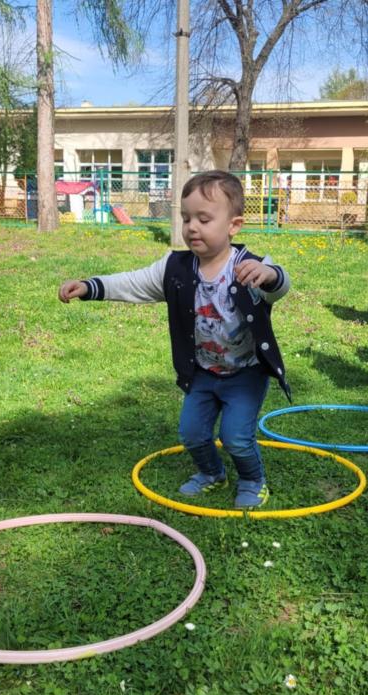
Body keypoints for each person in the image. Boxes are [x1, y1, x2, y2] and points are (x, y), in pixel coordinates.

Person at [58, 170, 291, 509]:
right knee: (192, 433)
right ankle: (211, 473)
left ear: (234, 225)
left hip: (246, 373)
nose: (192, 227)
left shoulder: (249, 268)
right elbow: (134, 283)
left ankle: (253, 481)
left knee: (236, 437)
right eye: (186, 218)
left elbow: (279, 286)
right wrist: (90, 286)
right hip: (202, 372)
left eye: (204, 219)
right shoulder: (175, 268)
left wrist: (269, 275)